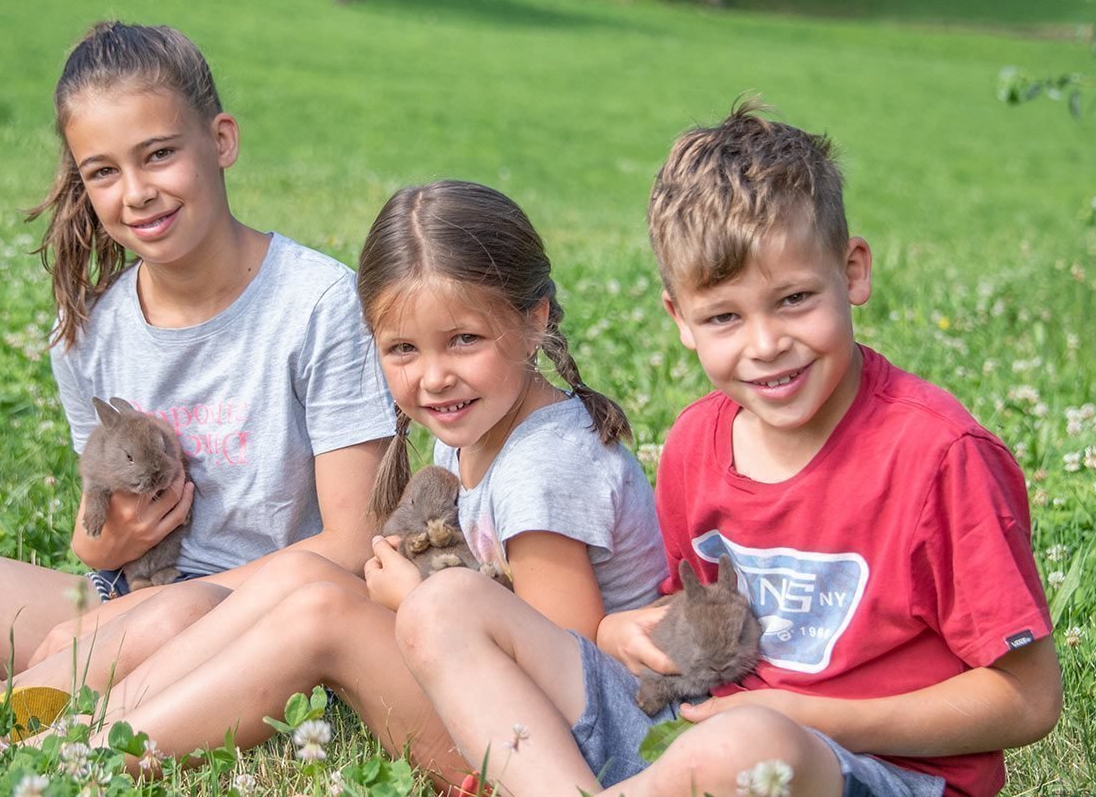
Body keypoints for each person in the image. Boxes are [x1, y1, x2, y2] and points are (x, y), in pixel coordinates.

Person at [396, 102, 1063, 797]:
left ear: (853, 270)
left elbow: (1029, 699)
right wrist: (624, 631)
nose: (766, 343)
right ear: (679, 319)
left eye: (795, 299)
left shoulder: (937, 456)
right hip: (693, 739)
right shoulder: (696, 442)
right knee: (441, 606)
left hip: (867, 772)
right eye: (723, 317)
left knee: (746, 745)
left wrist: (805, 717)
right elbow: (692, 628)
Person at [0, 22, 395, 708]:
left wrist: (130, 615)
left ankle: (25, 713)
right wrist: (102, 556)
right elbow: (103, 536)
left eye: (158, 155)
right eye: (103, 172)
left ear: (221, 141)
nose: (136, 192)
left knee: (173, 613)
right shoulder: (90, 332)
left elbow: (354, 543)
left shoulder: (319, 303)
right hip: (125, 605)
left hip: (266, 621)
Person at [69, 180, 665, 784]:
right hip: (513, 709)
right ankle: (85, 727)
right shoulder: (480, 425)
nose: (433, 378)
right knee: (299, 574)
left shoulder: (546, 467)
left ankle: (93, 757)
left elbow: (567, 669)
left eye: (464, 340)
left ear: (534, 321)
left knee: (323, 616)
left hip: (573, 754)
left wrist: (416, 600)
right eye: (403, 348)